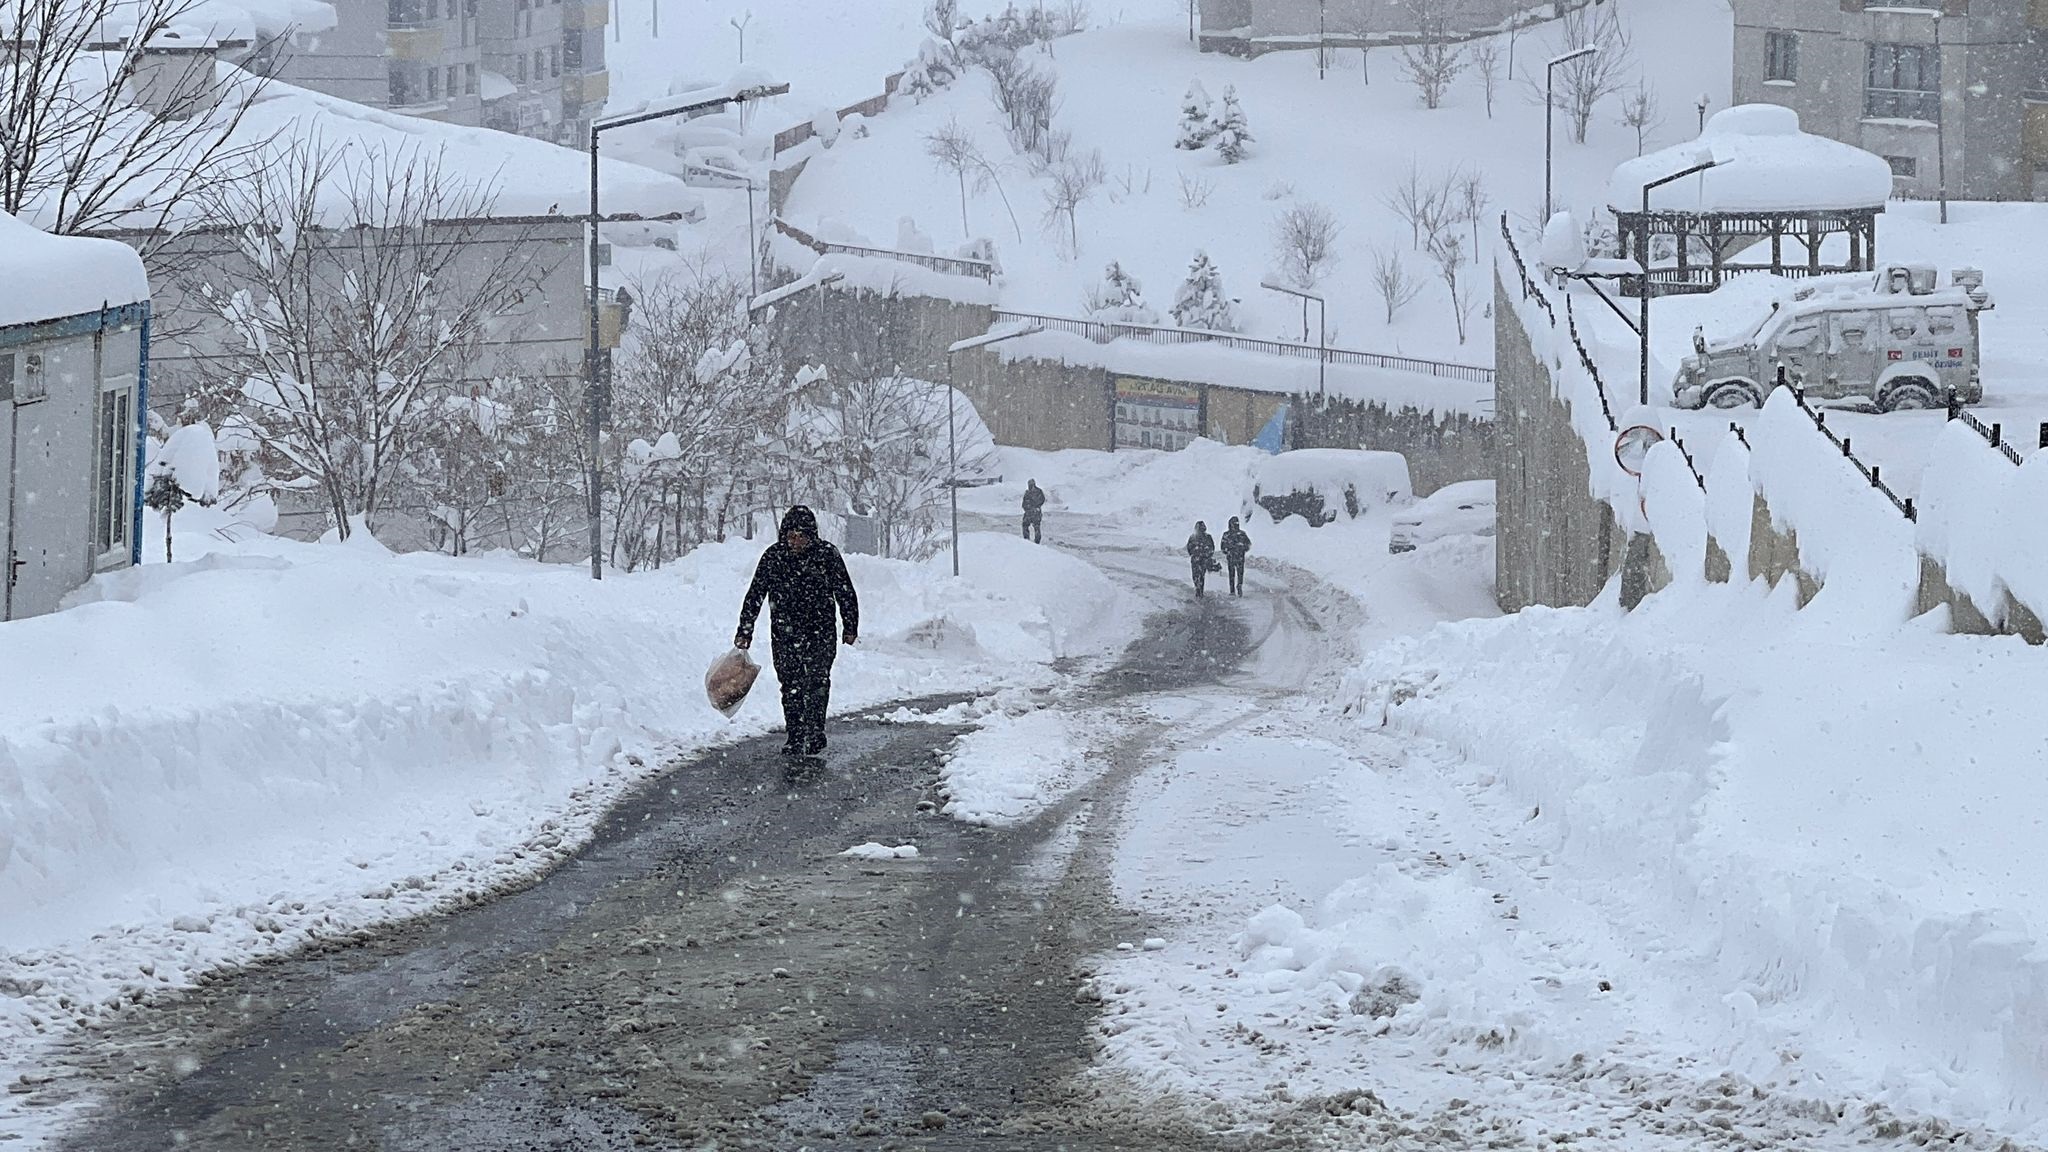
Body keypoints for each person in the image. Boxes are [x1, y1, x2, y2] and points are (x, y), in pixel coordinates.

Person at [736, 506, 859, 757]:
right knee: (790, 684)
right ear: (784, 535)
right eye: (791, 536)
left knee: (817, 681)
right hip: (784, 632)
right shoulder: (773, 557)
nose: (796, 541)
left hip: (820, 631)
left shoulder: (826, 555)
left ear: (812, 536)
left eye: (802, 536)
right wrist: (745, 630)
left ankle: (815, 732)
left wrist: (850, 625)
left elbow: (844, 591)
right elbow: (755, 595)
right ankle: (795, 734)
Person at [1221, 516, 1252, 597]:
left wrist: (1229, 550)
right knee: (1237, 574)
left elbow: (1248, 545)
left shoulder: (1228, 535)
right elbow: (1223, 547)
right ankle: (1236, 587)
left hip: (1235, 557)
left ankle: (1235, 588)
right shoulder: (1241, 534)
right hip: (1237, 557)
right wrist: (1241, 549)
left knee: (1234, 574)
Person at [1185, 520, 1216, 598]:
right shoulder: (1196, 537)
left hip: (1199, 560)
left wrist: (1196, 554)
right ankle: (1199, 590)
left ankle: (1198, 590)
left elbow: (1189, 548)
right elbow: (1211, 548)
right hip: (1200, 560)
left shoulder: (1194, 537)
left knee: (1198, 576)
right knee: (1200, 576)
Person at [1021, 479, 1046, 543]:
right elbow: (1024, 503)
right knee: (1030, 525)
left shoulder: (1035, 492)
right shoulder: (1031, 492)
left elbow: (1042, 500)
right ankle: (1031, 540)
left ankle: (1031, 541)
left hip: (1033, 512)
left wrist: (1034, 507)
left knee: (1032, 526)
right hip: (1032, 512)